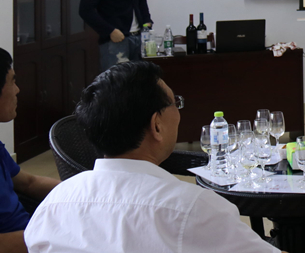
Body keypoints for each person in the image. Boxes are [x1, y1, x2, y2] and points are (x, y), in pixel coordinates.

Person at [24, 61, 283, 253]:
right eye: (175, 103)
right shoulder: (193, 208)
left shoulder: (54, 203)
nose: (179, 113)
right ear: (156, 125)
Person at [0, 48, 59, 253]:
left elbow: (29, 182)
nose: (17, 90)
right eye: (12, 82)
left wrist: (82, 190)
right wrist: (55, 237)